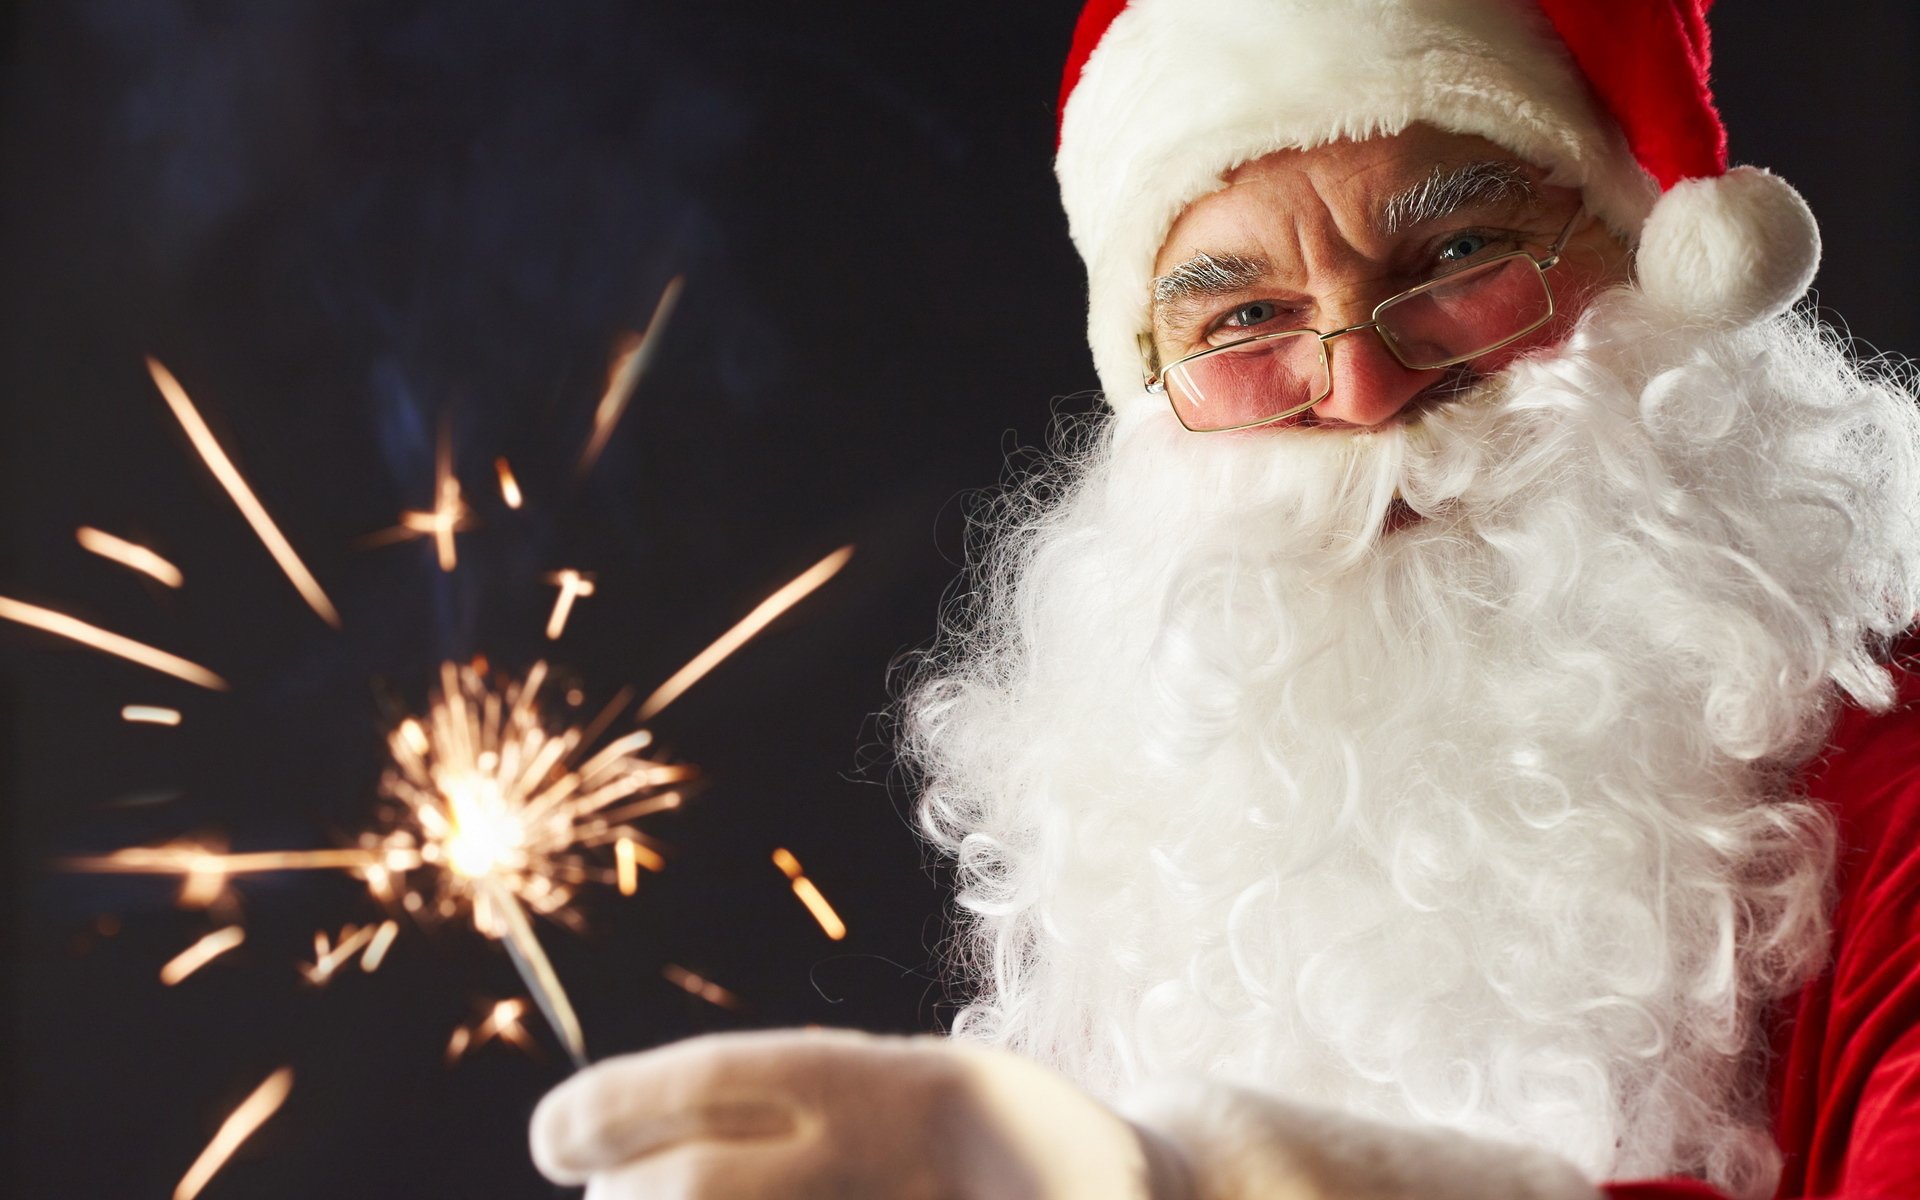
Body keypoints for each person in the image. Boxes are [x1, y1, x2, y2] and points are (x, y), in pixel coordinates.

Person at [528, 2, 1920, 1197]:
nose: (1365, 390)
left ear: (1652, 266)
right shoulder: (1162, 854)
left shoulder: (1896, 804)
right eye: (1244, 320)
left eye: (1455, 257)